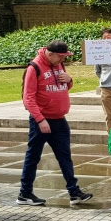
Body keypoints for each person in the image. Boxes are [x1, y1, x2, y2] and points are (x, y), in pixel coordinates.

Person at [17, 40, 93, 206]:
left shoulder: (59, 64)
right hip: (42, 121)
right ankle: (25, 193)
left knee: (65, 156)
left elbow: (63, 87)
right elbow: (28, 97)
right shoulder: (34, 68)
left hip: (60, 120)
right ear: (49, 54)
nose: (63, 60)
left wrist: (69, 80)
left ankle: (74, 192)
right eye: (60, 57)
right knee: (33, 157)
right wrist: (40, 119)